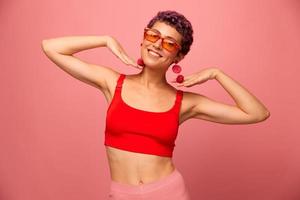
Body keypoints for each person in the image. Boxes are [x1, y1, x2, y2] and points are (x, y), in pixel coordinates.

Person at [41, 10, 270, 200]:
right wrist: (105, 40)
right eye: (153, 36)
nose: (158, 45)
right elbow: (51, 47)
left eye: (169, 43)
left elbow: (257, 113)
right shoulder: (112, 83)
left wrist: (217, 74)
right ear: (143, 39)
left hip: (168, 193)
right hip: (121, 194)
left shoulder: (185, 102)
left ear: (178, 57)